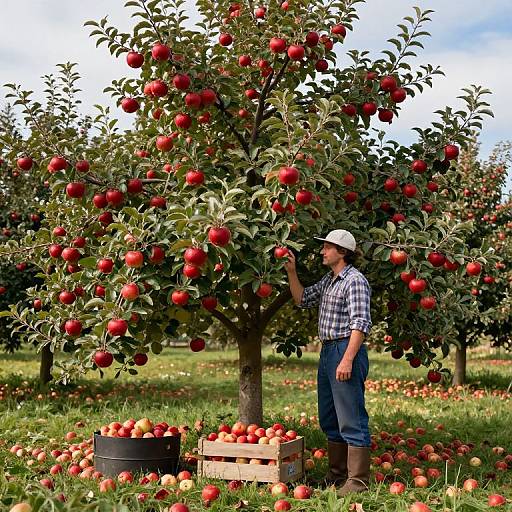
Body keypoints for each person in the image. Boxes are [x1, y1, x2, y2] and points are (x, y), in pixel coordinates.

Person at [284, 229, 372, 496]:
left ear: (342, 252)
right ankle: (337, 475)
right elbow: (302, 299)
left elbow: (360, 324)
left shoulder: (354, 281)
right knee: (330, 416)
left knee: (351, 416)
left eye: (327, 247)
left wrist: (347, 360)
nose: (323, 251)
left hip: (345, 349)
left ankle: (358, 481)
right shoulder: (329, 280)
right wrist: (291, 271)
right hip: (328, 352)